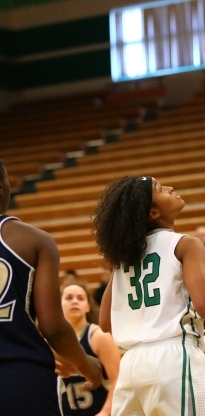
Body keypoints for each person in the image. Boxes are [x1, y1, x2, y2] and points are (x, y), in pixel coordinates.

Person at [94, 175, 205, 415]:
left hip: (131, 366)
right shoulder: (186, 244)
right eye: (161, 189)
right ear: (153, 212)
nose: (171, 188)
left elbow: (105, 322)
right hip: (174, 358)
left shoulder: (123, 258)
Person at [0, 160, 102, 416]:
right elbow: (53, 327)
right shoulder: (33, 240)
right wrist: (84, 362)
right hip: (20, 376)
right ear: (2, 187)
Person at [61, 281, 121, 416]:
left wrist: (105, 413)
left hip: (97, 411)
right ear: (59, 304)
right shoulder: (53, 340)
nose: (75, 301)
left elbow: (117, 380)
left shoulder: (98, 336)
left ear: (88, 306)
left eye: (80, 298)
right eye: (69, 298)